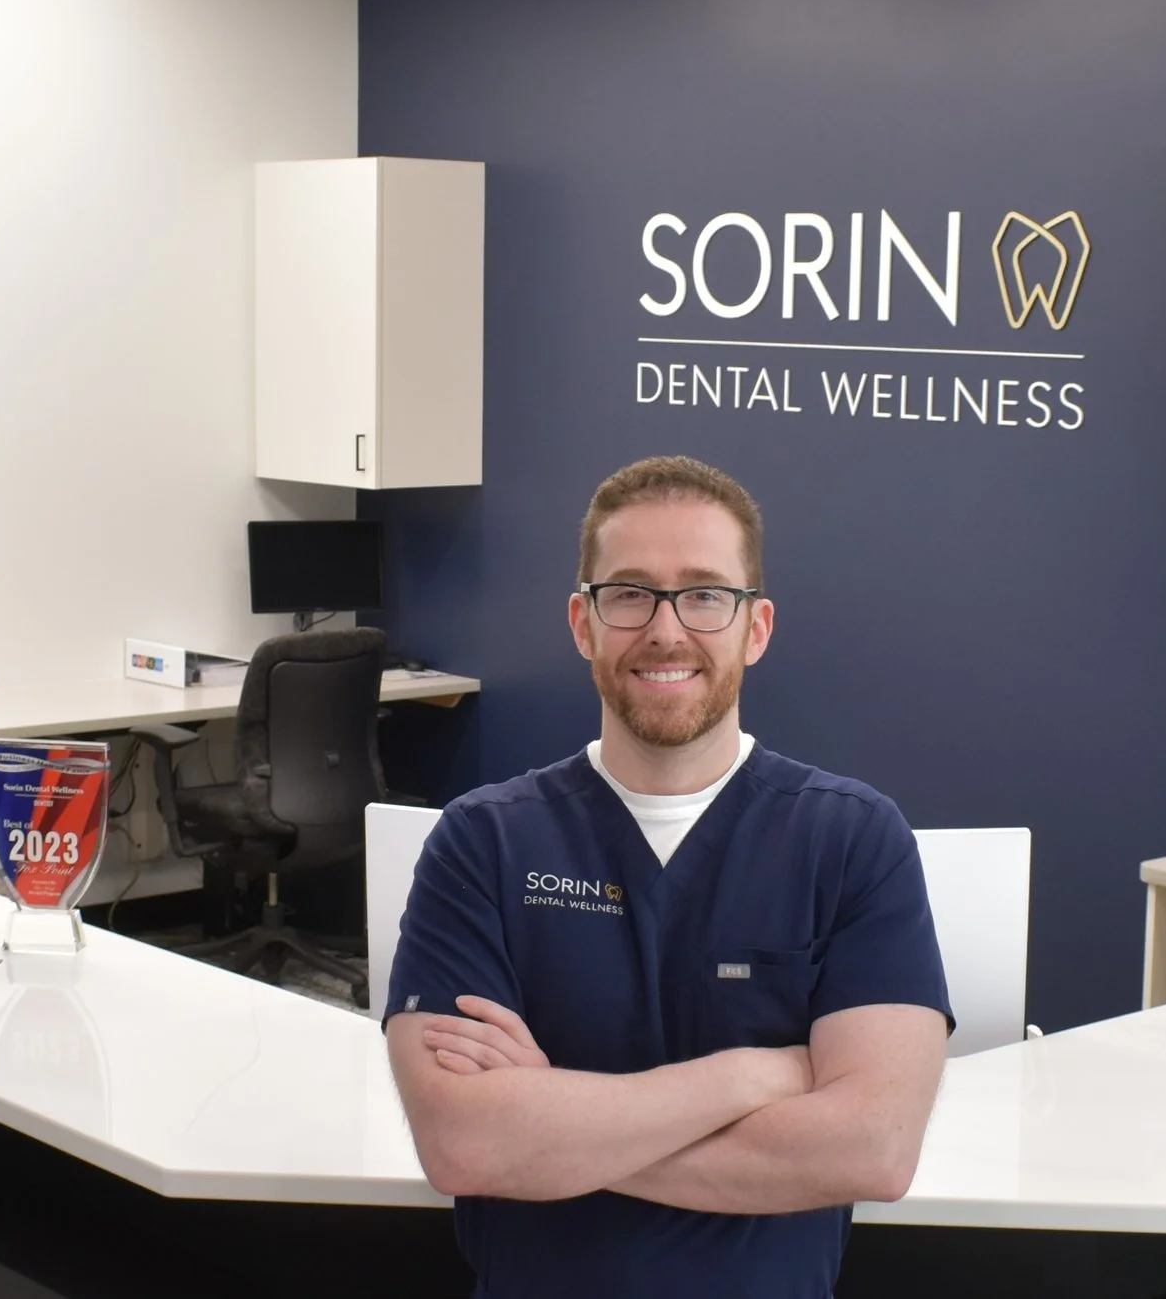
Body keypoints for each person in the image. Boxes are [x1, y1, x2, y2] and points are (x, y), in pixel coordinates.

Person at [382, 455, 953, 1299]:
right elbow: (464, 1147)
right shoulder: (481, 843)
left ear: (755, 628)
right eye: (630, 592)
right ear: (582, 622)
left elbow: (873, 1149)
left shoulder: (852, 839)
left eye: (705, 593)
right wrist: (753, 1074)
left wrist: (554, 1125)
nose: (666, 628)